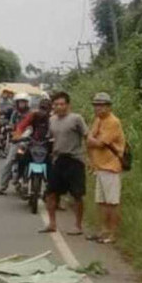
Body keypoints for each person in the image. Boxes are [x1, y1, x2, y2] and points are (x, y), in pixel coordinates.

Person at [40, 91, 89, 235]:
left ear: (68, 105)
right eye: (56, 104)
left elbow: (87, 136)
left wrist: (90, 157)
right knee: (51, 193)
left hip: (74, 160)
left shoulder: (76, 119)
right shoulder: (52, 120)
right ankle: (52, 224)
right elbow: (51, 138)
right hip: (58, 160)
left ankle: (78, 226)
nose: (59, 107)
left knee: (77, 195)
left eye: (62, 104)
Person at [87, 92, 126, 244]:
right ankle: (103, 231)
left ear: (108, 107)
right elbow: (89, 138)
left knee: (112, 202)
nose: (98, 108)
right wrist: (91, 140)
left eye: (101, 105)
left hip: (111, 166)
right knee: (101, 201)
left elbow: (99, 143)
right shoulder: (98, 120)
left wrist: (92, 140)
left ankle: (112, 233)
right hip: (100, 165)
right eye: (96, 105)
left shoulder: (112, 121)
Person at [0, 93, 31, 195]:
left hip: (30, 142)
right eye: (20, 102)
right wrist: (9, 129)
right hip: (17, 141)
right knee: (9, 162)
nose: (21, 104)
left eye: (23, 102)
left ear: (27, 103)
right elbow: (12, 125)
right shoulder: (15, 114)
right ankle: (2, 186)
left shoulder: (32, 114)